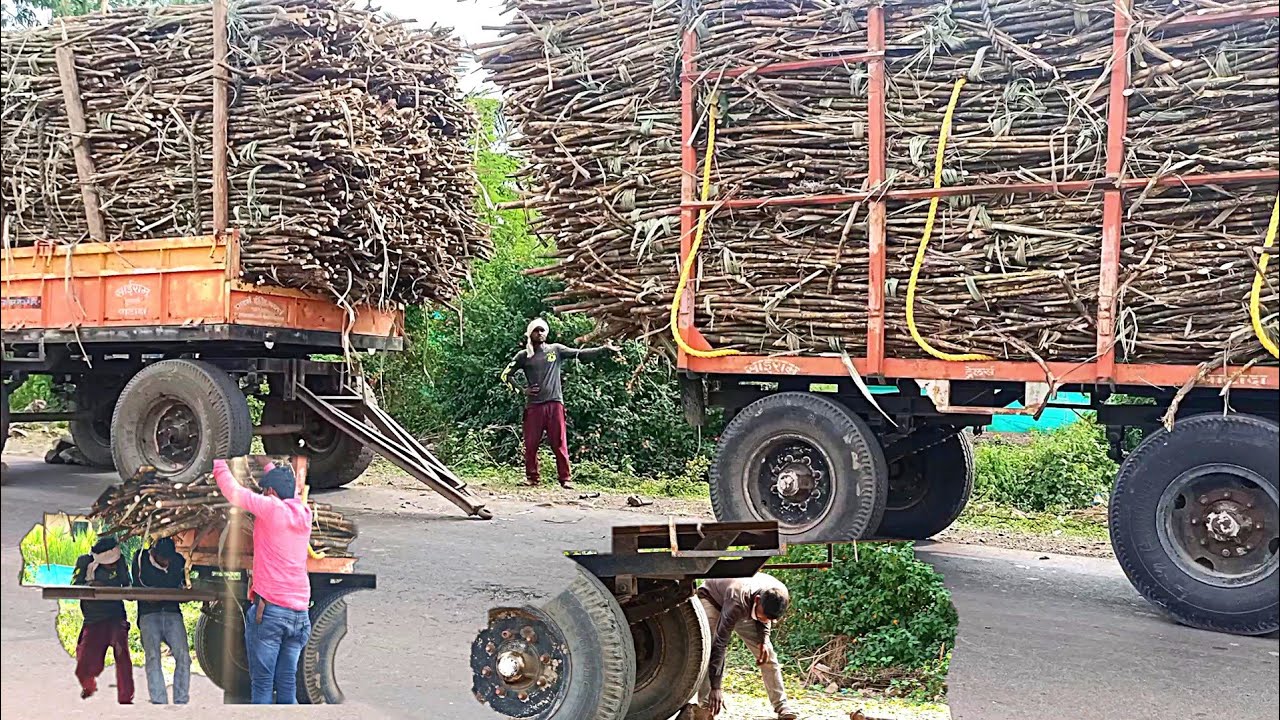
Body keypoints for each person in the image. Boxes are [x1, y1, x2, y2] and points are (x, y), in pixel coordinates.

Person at [213, 456, 312, 704]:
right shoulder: (304, 513)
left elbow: (234, 492)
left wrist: (217, 461)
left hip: (272, 615)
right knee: (287, 682)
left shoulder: (271, 509)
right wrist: (267, 465)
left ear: (269, 492)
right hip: (300, 615)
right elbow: (287, 489)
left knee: (263, 682)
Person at [500, 317, 617, 489]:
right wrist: (522, 390)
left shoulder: (556, 350)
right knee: (531, 443)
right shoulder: (524, 356)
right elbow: (505, 375)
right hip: (534, 406)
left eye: (542, 330)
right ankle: (532, 477)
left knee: (559, 442)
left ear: (546, 333)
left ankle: (565, 478)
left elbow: (579, 353)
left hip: (555, 403)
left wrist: (603, 349)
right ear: (529, 333)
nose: (539, 333)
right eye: (536, 330)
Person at [696, 573, 797, 720]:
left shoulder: (780, 594)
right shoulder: (736, 600)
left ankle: (782, 706)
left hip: (747, 608)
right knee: (709, 650)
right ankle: (706, 707)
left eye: (770, 618)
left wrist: (763, 640)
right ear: (757, 600)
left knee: (767, 654)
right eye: (764, 616)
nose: (766, 620)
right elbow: (720, 643)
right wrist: (716, 687)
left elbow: (765, 618)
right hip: (713, 599)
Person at [71, 536, 134, 704]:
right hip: (93, 618)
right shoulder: (85, 562)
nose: (113, 565)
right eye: (110, 563)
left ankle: (126, 697)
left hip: (116, 616)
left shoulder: (120, 562)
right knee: (85, 662)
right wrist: (91, 586)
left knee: (122, 656)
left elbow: (126, 583)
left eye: (115, 562)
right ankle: (88, 685)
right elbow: (73, 585)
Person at [133, 536, 190, 704]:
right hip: (149, 614)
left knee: (184, 656)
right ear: (153, 553)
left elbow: (180, 585)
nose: (166, 562)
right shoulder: (140, 559)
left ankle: (181, 699)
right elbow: (139, 586)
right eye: (163, 558)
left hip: (172, 613)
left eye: (168, 559)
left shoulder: (178, 561)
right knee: (152, 657)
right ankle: (159, 701)